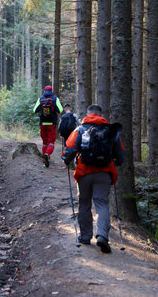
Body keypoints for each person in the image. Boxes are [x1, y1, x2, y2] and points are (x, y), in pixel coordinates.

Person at [61, 104, 125, 254]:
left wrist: (66, 160)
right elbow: (121, 156)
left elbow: (69, 150)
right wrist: (116, 162)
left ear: (88, 114)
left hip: (84, 173)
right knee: (102, 203)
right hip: (104, 173)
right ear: (101, 115)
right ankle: (102, 235)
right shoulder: (111, 131)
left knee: (84, 203)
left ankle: (85, 237)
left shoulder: (80, 129)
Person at [33, 85, 63, 167]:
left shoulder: (40, 99)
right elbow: (60, 110)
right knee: (51, 143)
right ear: (51, 90)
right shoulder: (55, 98)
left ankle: (44, 161)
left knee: (45, 143)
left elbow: (34, 110)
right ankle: (47, 154)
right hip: (51, 124)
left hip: (42, 124)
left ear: (44, 90)